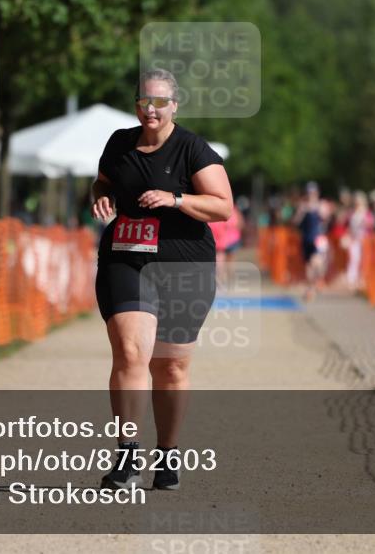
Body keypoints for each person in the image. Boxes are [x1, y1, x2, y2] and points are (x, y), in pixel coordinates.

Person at [91, 68, 233, 491]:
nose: (149, 109)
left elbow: (223, 207)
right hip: (126, 260)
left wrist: (176, 199)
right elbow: (103, 181)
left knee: (170, 366)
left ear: (174, 106)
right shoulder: (119, 143)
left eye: (158, 102)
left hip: (183, 266)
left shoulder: (191, 149)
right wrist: (100, 196)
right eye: (143, 101)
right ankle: (128, 455)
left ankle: (167, 454)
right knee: (131, 353)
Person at [293, 181, 327, 302]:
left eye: (313, 192)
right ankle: (311, 289)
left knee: (316, 263)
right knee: (308, 265)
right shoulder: (303, 206)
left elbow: (325, 218)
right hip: (306, 238)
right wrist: (302, 211)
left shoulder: (320, 205)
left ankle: (317, 282)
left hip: (317, 239)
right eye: (309, 193)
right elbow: (295, 222)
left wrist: (316, 209)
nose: (311, 195)